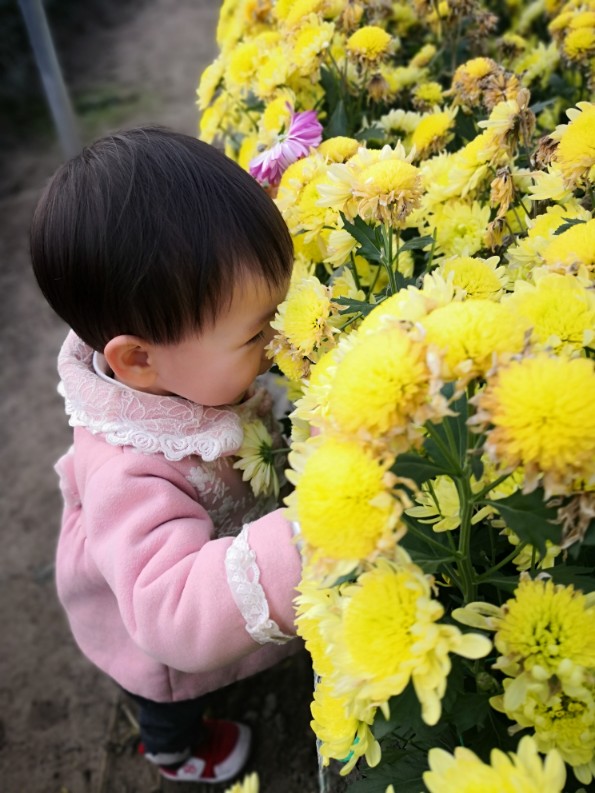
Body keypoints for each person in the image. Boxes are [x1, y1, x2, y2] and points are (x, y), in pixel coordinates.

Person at [29, 127, 303, 784]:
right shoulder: (126, 469)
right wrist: (305, 538)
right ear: (140, 360)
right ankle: (173, 753)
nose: (279, 339)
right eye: (259, 331)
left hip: (207, 572)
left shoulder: (192, 365)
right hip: (147, 629)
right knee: (166, 696)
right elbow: (171, 613)